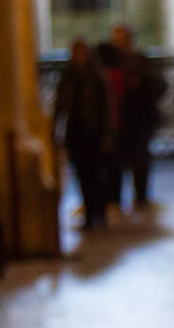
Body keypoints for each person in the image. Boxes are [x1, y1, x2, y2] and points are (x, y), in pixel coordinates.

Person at [52, 37, 114, 231]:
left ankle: (100, 213)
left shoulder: (96, 76)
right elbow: (60, 105)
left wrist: (106, 134)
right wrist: (55, 131)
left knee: (95, 173)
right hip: (75, 131)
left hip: (92, 130)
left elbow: (106, 107)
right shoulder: (68, 76)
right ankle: (88, 213)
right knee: (81, 175)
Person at [107, 23, 165, 212]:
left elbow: (159, 84)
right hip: (117, 120)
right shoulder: (108, 63)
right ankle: (114, 198)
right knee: (115, 161)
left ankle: (141, 197)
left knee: (140, 160)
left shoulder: (141, 62)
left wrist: (140, 84)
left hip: (139, 119)